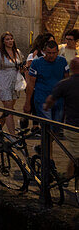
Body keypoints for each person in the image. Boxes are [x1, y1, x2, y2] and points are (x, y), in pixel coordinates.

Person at [41, 57, 79, 193]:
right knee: (76, 155)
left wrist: (45, 106)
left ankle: (67, 177)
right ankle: (67, 177)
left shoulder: (64, 84)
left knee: (75, 155)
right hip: (74, 126)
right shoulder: (66, 84)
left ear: (72, 68)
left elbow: (50, 100)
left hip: (72, 126)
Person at [0, 32, 25, 135]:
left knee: (9, 109)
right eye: (7, 39)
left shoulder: (17, 52)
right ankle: (12, 135)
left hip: (14, 83)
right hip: (3, 82)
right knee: (9, 111)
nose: (10, 41)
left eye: (11, 39)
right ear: (3, 42)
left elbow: (21, 67)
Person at [25, 40, 68, 123]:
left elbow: (66, 80)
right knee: (47, 126)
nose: (51, 55)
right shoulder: (36, 63)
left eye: (54, 53)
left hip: (59, 100)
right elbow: (31, 84)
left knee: (57, 127)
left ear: (57, 52)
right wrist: (28, 103)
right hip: (42, 100)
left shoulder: (62, 61)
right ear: (44, 51)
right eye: (49, 53)